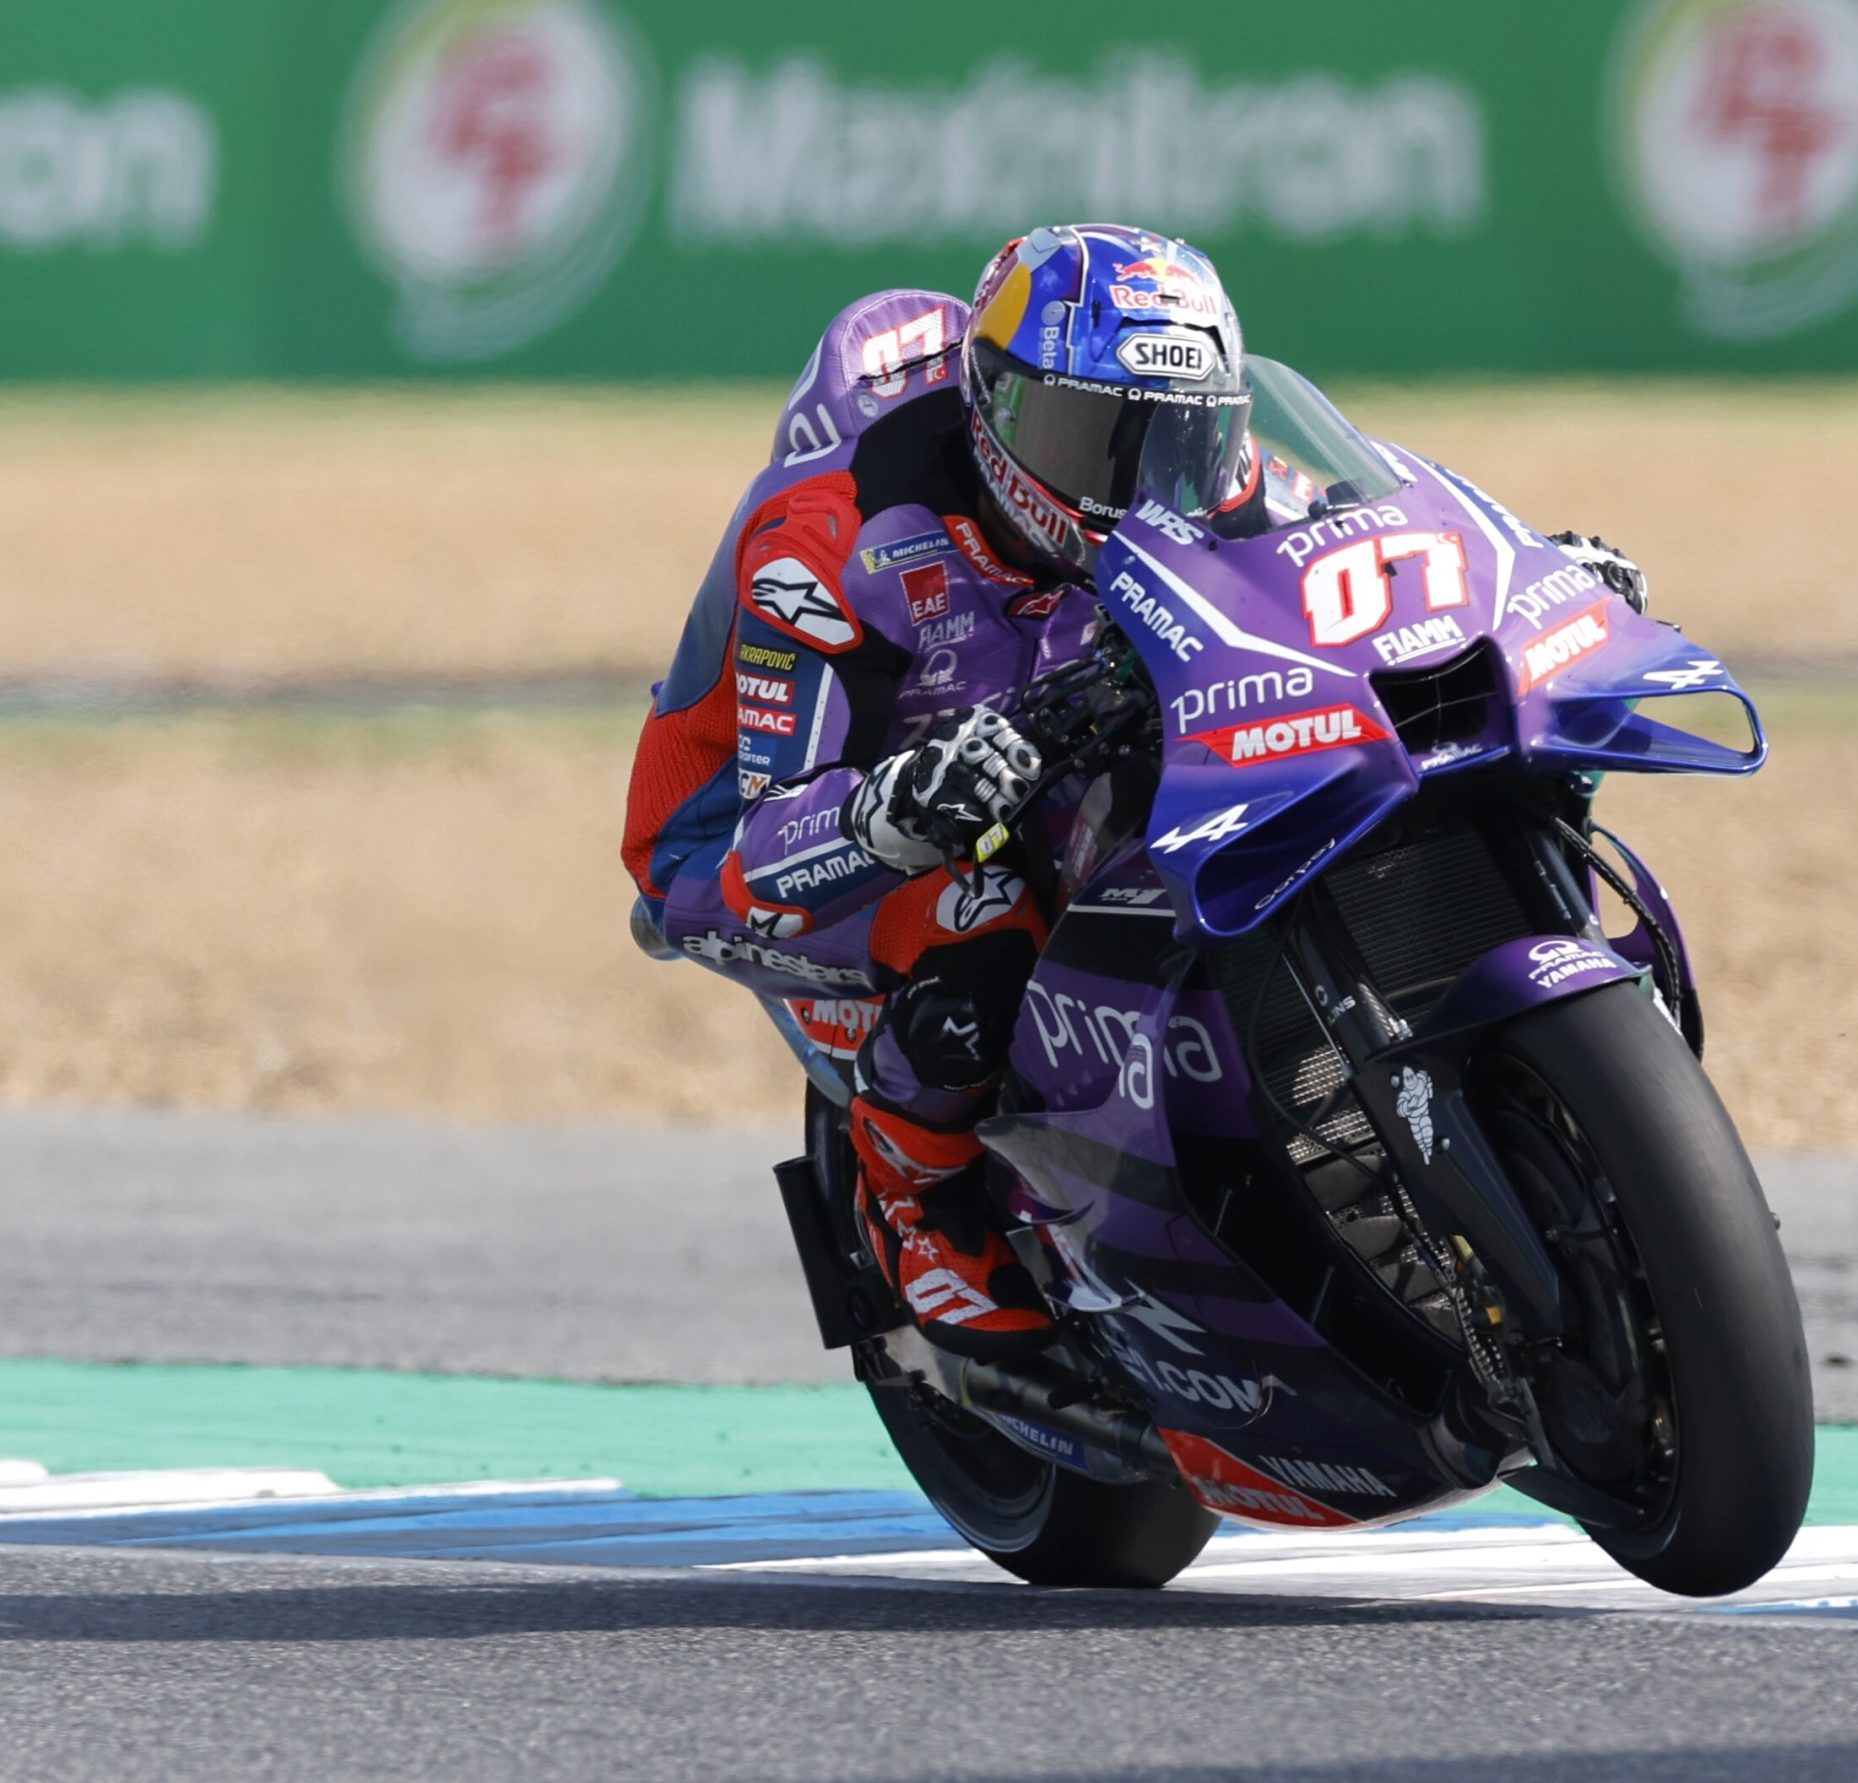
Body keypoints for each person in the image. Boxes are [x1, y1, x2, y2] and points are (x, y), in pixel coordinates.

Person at [620, 222, 1647, 1357]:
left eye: (1179, 439)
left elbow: (1356, 552)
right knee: (986, 918)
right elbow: (755, 847)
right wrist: (895, 809)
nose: (1142, 483)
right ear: (994, 409)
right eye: (1094, 439)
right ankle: (912, 1204)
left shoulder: (1212, 477)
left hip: (1033, 737)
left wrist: (1524, 584)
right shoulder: (834, 542)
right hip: (749, 836)